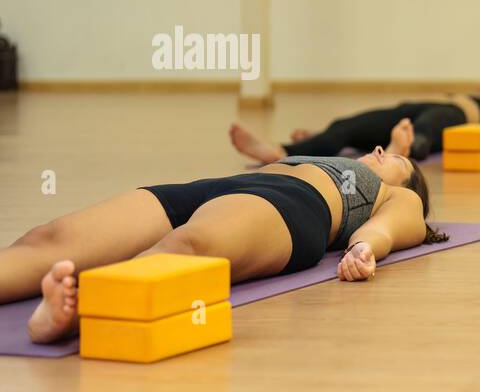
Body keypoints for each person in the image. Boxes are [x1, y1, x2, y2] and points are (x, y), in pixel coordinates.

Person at [2, 149, 439, 344]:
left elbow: (391, 229)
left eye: (397, 161)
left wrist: (363, 251)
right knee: (48, 239)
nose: (382, 151)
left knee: (188, 245)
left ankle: (76, 313)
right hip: (216, 186)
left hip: (289, 207)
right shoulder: (331, 157)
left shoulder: (399, 196)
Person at [228, 90, 480, 164]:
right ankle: (283, 152)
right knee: (347, 126)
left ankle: (405, 148)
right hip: (406, 110)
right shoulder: (453, 94)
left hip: (442, 121)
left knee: (424, 131)